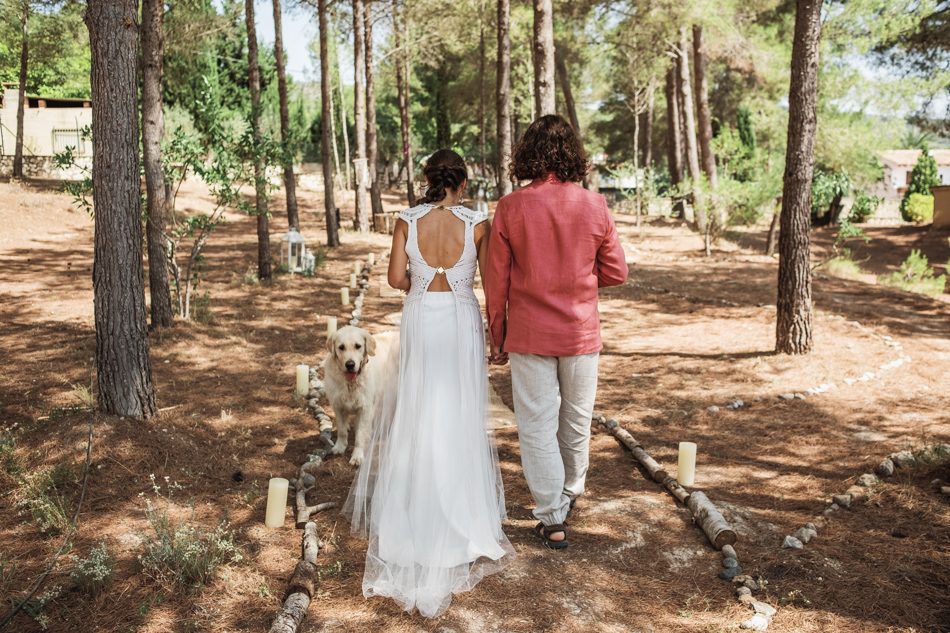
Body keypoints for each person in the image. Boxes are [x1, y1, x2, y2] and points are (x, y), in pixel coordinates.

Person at [344, 149, 514, 618]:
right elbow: (492, 281)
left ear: (428, 179)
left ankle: (413, 515)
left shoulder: (406, 220)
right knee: (456, 410)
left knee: (420, 411)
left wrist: (421, 279)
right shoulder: (478, 222)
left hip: (421, 317)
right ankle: (460, 519)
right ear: (463, 181)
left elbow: (398, 278)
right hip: (460, 320)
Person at [485, 114, 628, 550]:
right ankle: (569, 493)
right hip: (581, 333)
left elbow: (496, 281)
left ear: (528, 152)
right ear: (573, 154)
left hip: (529, 333)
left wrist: (497, 334)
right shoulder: (596, 205)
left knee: (535, 425)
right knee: (577, 419)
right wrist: (579, 278)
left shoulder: (511, 207)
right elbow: (617, 272)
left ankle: (552, 516)